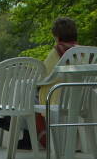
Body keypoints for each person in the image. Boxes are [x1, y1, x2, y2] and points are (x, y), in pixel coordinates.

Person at [13, 17, 79, 150]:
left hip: (55, 99)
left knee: (27, 98)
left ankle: (41, 138)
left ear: (56, 35)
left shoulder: (57, 52)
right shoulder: (83, 51)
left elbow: (42, 77)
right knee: (32, 98)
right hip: (77, 100)